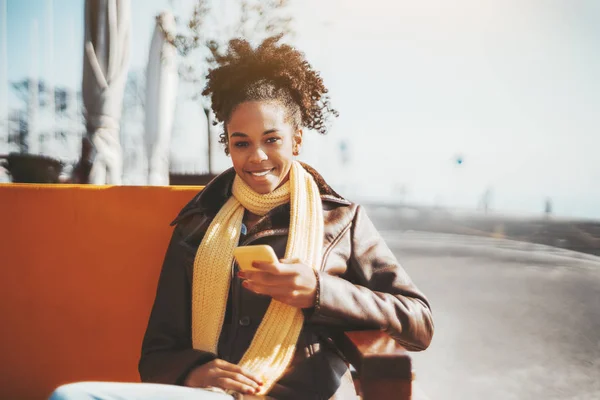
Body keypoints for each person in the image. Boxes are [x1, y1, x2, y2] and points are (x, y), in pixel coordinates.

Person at [49, 35, 433, 400]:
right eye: (241, 143)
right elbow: (157, 353)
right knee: (70, 395)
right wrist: (194, 371)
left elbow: (418, 322)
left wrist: (319, 292)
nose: (257, 157)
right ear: (228, 144)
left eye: (272, 139)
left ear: (296, 139)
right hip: (203, 395)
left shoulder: (341, 221)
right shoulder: (197, 224)